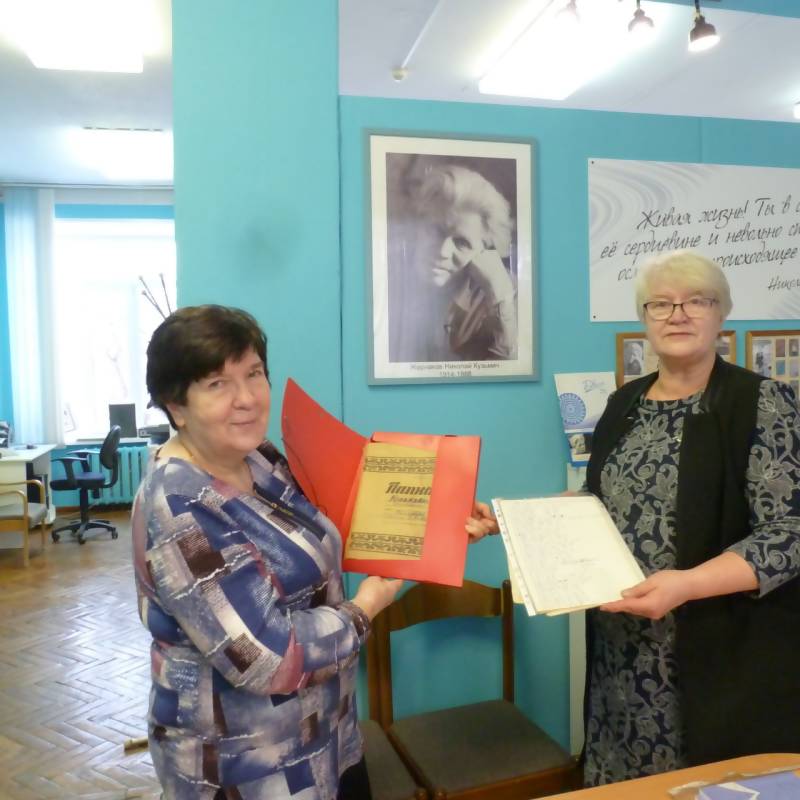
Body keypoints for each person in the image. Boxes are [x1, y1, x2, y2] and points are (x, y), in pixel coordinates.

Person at [466, 249, 800, 785]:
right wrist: (512, 521)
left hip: (716, 654)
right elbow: (597, 502)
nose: (678, 314)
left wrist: (685, 585)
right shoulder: (624, 403)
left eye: (697, 301)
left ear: (721, 313)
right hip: (620, 648)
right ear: (645, 318)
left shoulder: (761, 402)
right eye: (661, 303)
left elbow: (788, 535)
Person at [132, 305, 402, 800]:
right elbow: (266, 659)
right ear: (176, 405)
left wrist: (438, 521)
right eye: (217, 384)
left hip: (325, 737)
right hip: (248, 771)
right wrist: (365, 608)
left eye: (254, 373)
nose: (247, 399)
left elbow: (331, 524)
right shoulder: (179, 508)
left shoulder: (257, 458)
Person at [388, 161, 518, 363]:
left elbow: (511, 373)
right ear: (419, 224)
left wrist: (500, 296)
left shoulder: (504, 292)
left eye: (462, 243)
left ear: (484, 251)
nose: (443, 252)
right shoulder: (388, 273)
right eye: (436, 231)